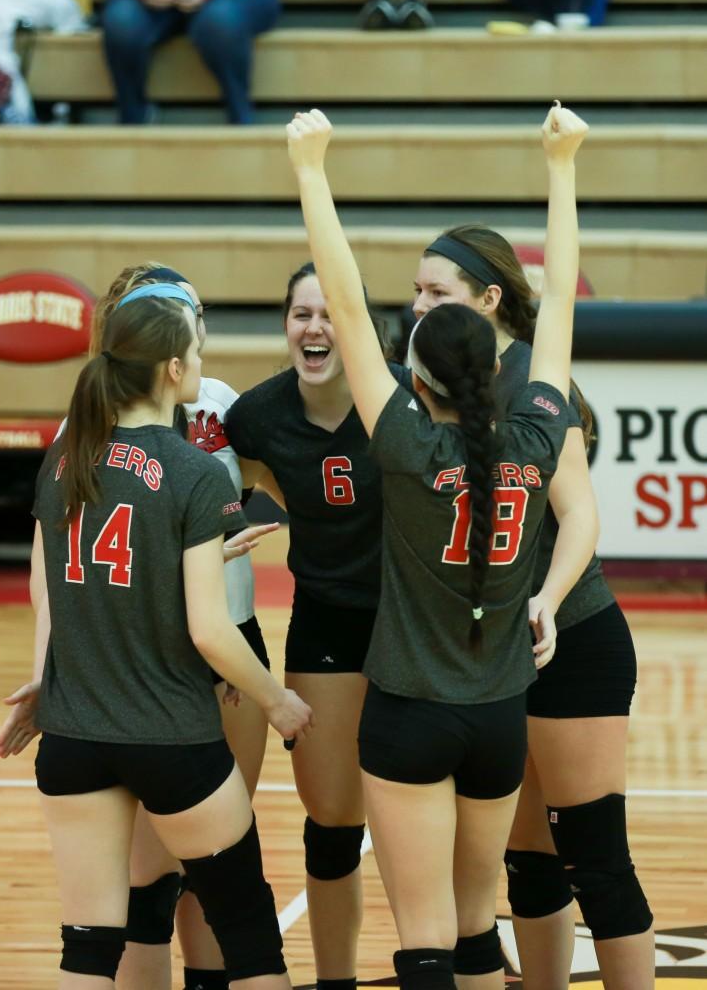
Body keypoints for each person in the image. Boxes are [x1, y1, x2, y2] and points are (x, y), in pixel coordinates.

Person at [285, 103, 586, 990]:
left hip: (410, 714)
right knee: (470, 927)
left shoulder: (407, 445)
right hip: (498, 716)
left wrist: (311, 169)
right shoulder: (534, 434)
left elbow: (341, 299)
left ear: (414, 375)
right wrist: (562, 165)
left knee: (420, 943)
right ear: (497, 367)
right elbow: (560, 299)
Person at [0, 284, 313, 988]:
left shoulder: (63, 460)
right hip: (172, 738)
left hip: (74, 741)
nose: (200, 361)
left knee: (88, 950)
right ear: (173, 369)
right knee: (250, 939)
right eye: (195, 349)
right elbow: (209, 630)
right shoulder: (195, 472)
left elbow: (64, 590)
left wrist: (47, 682)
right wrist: (276, 701)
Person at [412, 256, 653, 983]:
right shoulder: (420, 392)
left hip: (571, 638)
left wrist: (545, 600)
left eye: (436, 291)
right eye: (416, 289)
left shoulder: (535, 390)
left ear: (486, 301)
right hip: (493, 657)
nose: (419, 303)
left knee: (595, 858)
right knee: (527, 862)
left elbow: (580, 515)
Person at [87, 264, 278, 990]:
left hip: (230, 634)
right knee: (150, 876)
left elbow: (278, 486)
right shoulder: (95, 420)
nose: (194, 323)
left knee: (219, 861)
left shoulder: (221, 403)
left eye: (197, 310)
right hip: (146, 653)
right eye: (181, 312)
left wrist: (244, 526)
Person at [225, 265, 410, 990]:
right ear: (285, 326)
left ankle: (439, 964)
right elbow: (255, 485)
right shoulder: (256, 417)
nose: (315, 328)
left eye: (331, 313)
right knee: (332, 820)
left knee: (418, 820)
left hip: (413, 623)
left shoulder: (405, 395)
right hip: (327, 620)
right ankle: (335, 981)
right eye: (301, 314)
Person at [101, 0, 281, 124]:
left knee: (220, 20)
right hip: (147, 2)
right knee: (121, 20)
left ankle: (241, 118)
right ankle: (132, 119)